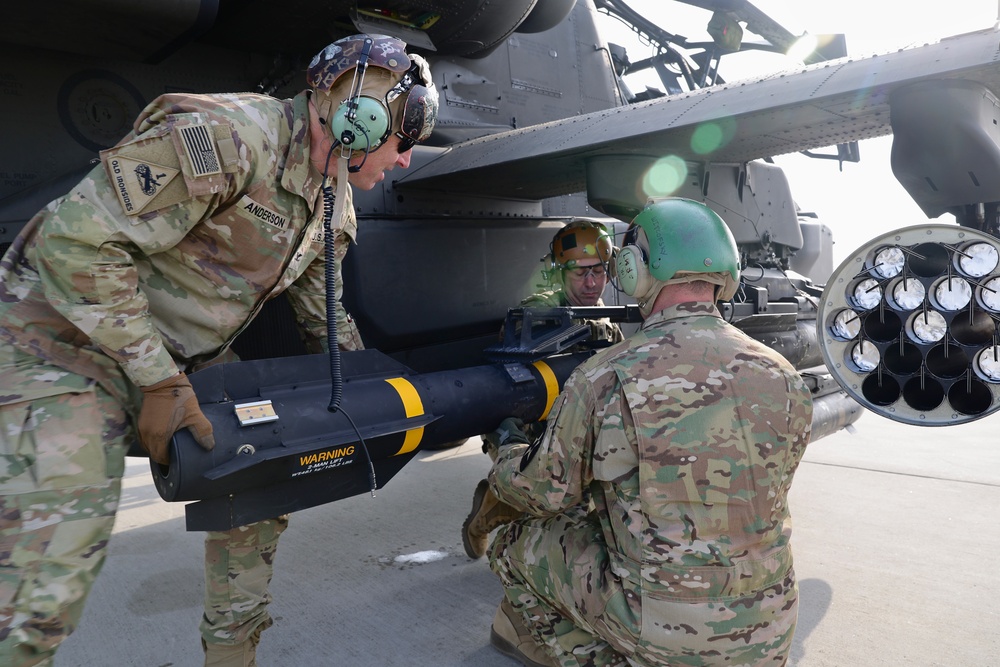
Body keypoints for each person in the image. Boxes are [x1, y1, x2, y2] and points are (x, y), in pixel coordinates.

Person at [0, 33, 437, 667]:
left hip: (182, 358)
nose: (404, 162)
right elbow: (75, 246)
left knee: (262, 473)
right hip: (63, 340)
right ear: (357, 119)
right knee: (51, 574)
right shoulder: (227, 137)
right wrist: (158, 381)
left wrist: (369, 401)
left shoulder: (330, 197)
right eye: (403, 142)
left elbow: (327, 318)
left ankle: (231, 655)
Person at [481, 198, 813, 667]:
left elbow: (545, 492)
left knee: (516, 538)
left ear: (637, 269)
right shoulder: (782, 374)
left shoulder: (608, 376)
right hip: (772, 629)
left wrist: (508, 452)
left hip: (664, 628)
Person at [461, 220, 624, 560]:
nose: (592, 283)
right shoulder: (541, 311)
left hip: (579, 424)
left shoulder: (604, 316)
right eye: (580, 274)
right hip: (527, 428)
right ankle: (489, 511)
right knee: (546, 498)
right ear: (558, 273)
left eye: (598, 271)